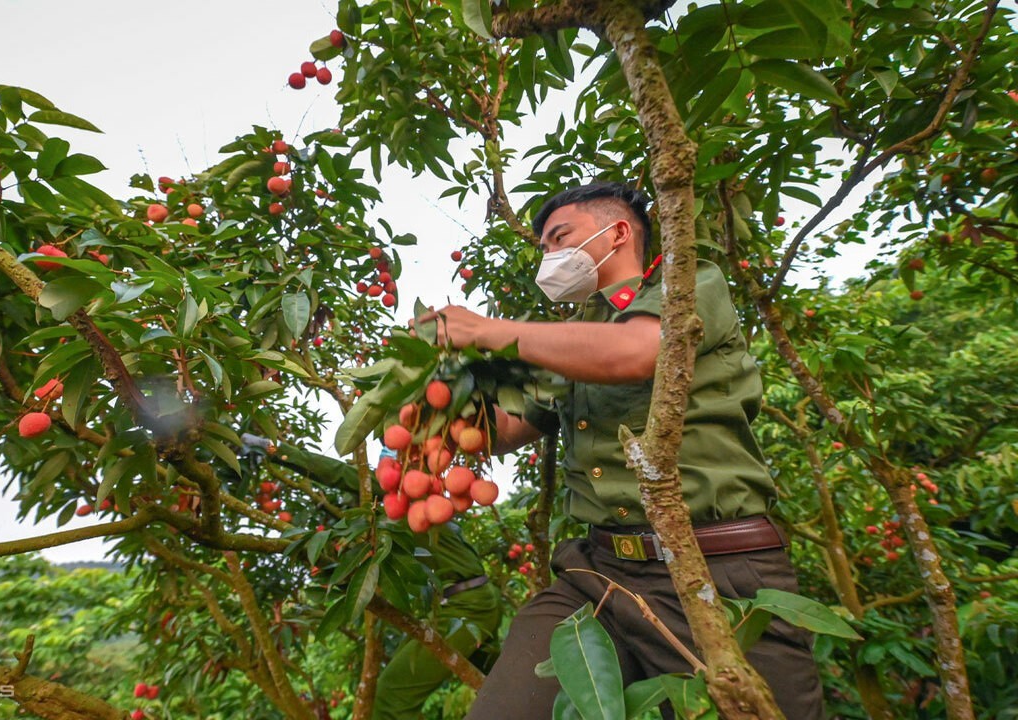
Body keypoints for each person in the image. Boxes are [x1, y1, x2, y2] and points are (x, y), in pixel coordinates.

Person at [414, 182, 824, 719]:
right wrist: (435, 398)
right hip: (599, 573)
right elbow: (508, 430)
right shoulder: (570, 338)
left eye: (560, 237)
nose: (551, 256)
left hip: (716, 571)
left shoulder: (691, 283)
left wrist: (486, 330)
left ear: (620, 232)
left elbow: (635, 352)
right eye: (543, 249)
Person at [240, 435, 503, 720]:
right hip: (472, 602)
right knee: (505, 684)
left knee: (392, 694)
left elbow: (337, 473)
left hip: (468, 608)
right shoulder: (421, 498)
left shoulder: (407, 490)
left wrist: (273, 449)